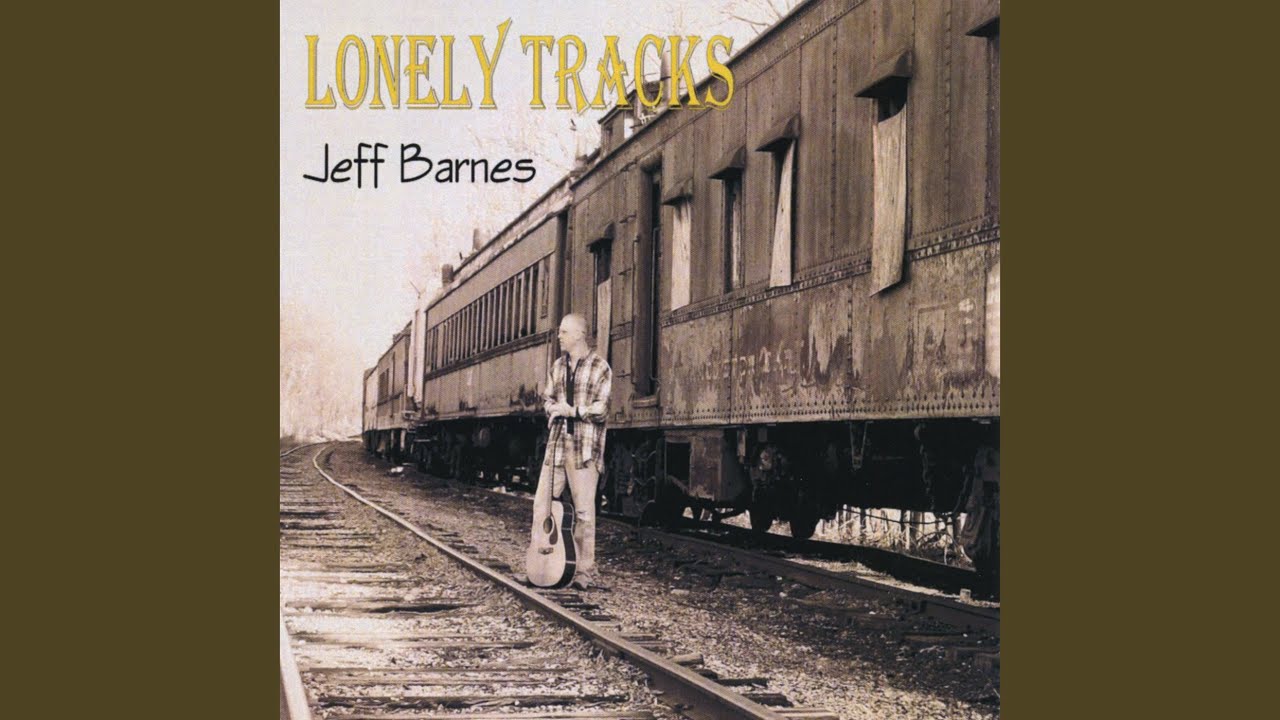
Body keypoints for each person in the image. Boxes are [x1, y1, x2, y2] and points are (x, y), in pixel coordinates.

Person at [531, 313, 612, 590]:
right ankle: (540, 564)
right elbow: (547, 399)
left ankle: (583, 572)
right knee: (541, 505)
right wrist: (553, 409)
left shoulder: (600, 367)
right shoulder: (558, 367)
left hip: (584, 449)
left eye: (564, 332)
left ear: (579, 334)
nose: (559, 336)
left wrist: (572, 411)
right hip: (556, 447)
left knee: (584, 513)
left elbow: (602, 409)